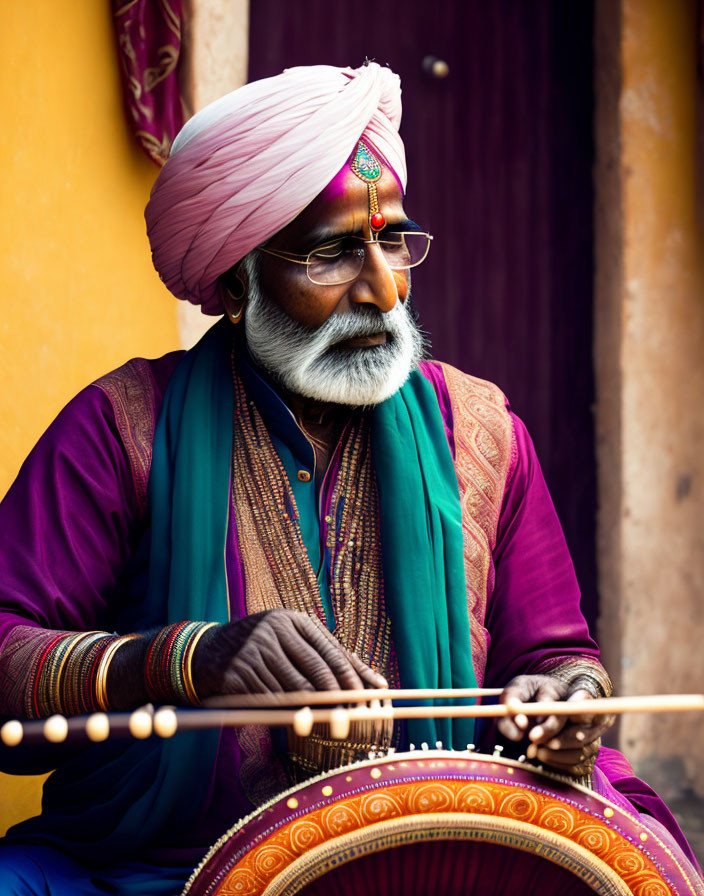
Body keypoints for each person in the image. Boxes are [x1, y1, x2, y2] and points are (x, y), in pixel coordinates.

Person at [0, 63, 700, 894]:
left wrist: (564, 705)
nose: (382, 290)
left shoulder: (483, 431)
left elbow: (558, 656)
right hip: (166, 870)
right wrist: (189, 658)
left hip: (441, 848)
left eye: (393, 241)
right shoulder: (122, 428)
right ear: (234, 282)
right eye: (331, 254)